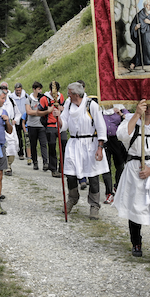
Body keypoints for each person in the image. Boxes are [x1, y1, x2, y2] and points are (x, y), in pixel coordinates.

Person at [113, 100, 150, 265]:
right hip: (135, 170)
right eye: (145, 107)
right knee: (136, 207)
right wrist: (137, 115)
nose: (148, 110)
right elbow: (122, 135)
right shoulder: (130, 122)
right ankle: (136, 243)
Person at [56, 82, 108, 220]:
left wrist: (100, 147)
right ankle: (73, 198)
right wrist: (59, 118)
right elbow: (65, 123)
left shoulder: (92, 105)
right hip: (74, 143)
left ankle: (94, 205)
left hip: (90, 143)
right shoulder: (68, 104)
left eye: (69, 93)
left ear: (76, 94)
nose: (68, 96)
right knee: (71, 174)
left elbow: (101, 127)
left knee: (93, 175)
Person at [24, 81, 50, 171]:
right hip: (32, 125)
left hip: (42, 125)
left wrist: (37, 112)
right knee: (33, 144)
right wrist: (40, 112)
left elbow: (47, 109)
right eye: (38, 89)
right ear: (34, 89)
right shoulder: (29, 99)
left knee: (43, 144)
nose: (40, 91)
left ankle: (45, 162)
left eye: (41, 89)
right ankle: (35, 161)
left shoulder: (43, 98)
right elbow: (28, 112)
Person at [130, 0, 150, 70]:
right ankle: (135, 63)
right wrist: (136, 27)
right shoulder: (139, 15)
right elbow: (132, 26)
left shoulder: (149, 16)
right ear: (145, 5)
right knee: (141, 53)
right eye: (149, 5)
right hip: (143, 38)